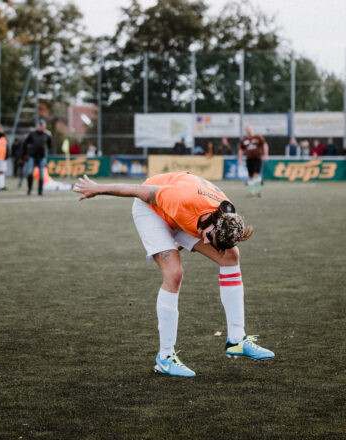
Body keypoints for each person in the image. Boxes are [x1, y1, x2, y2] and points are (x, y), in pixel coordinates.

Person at [73, 171, 274, 377]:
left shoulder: (226, 215)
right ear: (213, 221)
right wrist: (98, 189)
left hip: (183, 217)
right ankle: (165, 357)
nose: (205, 243)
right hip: (152, 210)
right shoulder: (180, 199)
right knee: (174, 272)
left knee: (231, 256)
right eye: (207, 237)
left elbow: (207, 234)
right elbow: (137, 190)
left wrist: (181, 239)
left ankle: (236, 340)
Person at [22, 118, 52, 196]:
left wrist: (46, 152)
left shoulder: (47, 135)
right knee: (29, 173)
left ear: (44, 126)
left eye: (42, 125)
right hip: (32, 156)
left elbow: (49, 145)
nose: (41, 127)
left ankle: (40, 191)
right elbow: (25, 143)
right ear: (38, 125)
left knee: (41, 175)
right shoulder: (32, 134)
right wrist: (25, 154)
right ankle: (30, 188)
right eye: (40, 125)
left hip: (42, 157)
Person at [238, 125, 269, 197]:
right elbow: (241, 149)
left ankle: (257, 191)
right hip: (249, 159)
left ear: (252, 130)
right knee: (251, 176)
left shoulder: (258, 137)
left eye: (250, 129)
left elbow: (265, 144)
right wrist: (239, 159)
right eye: (247, 130)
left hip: (257, 158)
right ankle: (252, 192)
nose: (249, 131)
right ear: (246, 131)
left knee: (256, 174)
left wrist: (266, 155)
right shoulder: (244, 139)